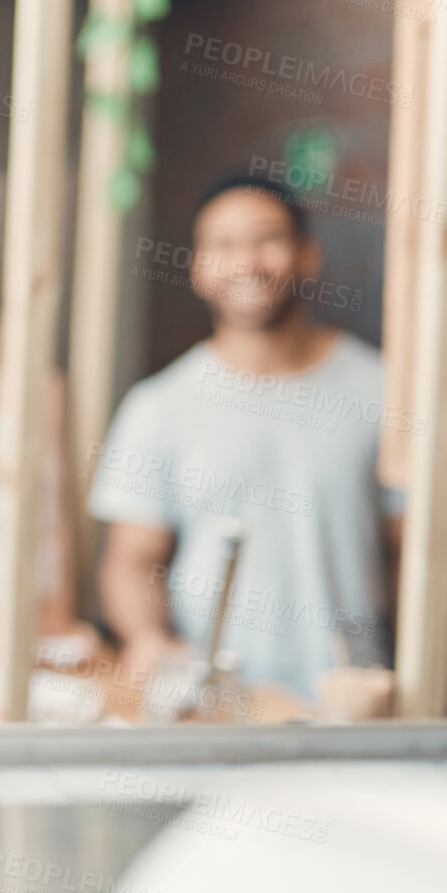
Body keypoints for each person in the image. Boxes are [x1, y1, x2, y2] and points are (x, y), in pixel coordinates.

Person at [90, 171, 402, 703]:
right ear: (197, 267)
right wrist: (148, 638)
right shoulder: (160, 406)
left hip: (350, 704)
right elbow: (132, 559)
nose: (247, 263)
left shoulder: (383, 389)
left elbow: (411, 552)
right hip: (212, 706)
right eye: (224, 245)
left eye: (268, 239)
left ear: (308, 255)